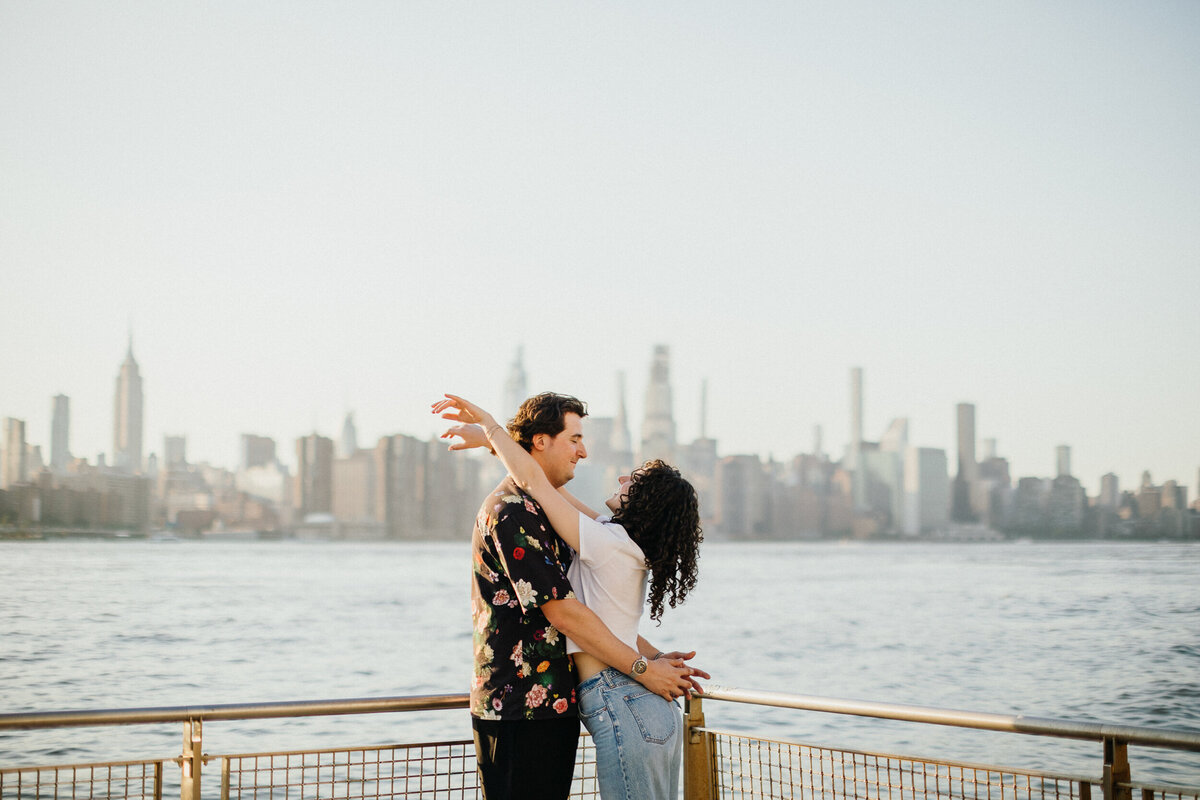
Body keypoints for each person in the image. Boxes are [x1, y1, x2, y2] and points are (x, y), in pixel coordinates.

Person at [435, 392, 707, 800]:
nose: (585, 452)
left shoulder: (599, 535)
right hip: (519, 707)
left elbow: (536, 482)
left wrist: (647, 663)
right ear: (541, 441)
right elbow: (567, 612)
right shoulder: (515, 511)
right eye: (575, 438)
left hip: (561, 704)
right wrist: (646, 664)